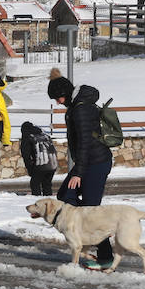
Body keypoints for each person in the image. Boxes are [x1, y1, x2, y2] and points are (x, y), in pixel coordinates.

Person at [47, 71, 114, 270]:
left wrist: (77, 172)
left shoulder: (80, 109)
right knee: (65, 195)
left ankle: (105, 257)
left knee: (89, 211)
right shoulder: (78, 106)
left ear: (65, 93)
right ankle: (86, 234)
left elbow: (85, 142)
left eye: (57, 98)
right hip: (89, 161)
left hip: (95, 162)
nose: (58, 103)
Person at [19, 120, 57, 196]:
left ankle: (37, 202)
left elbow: (26, 155)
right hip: (53, 163)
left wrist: (30, 169)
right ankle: (48, 202)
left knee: (35, 183)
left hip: (41, 163)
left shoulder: (27, 137)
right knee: (47, 184)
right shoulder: (44, 135)